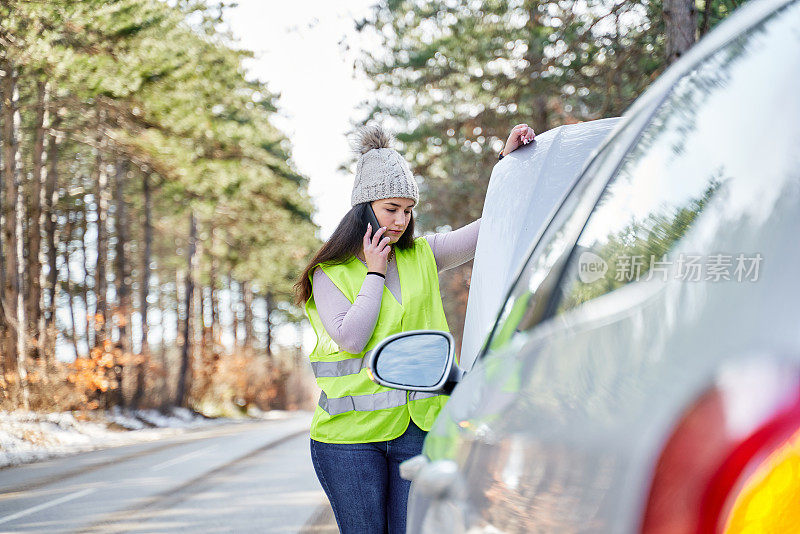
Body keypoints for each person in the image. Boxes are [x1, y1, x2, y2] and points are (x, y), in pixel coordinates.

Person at [293, 121, 535, 533]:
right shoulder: (328, 273)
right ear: (365, 208)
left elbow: (491, 225)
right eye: (392, 209)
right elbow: (351, 340)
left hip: (418, 428)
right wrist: (374, 273)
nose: (402, 220)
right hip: (349, 441)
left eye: (408, 210)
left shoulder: (424, 254)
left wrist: (508, 164)